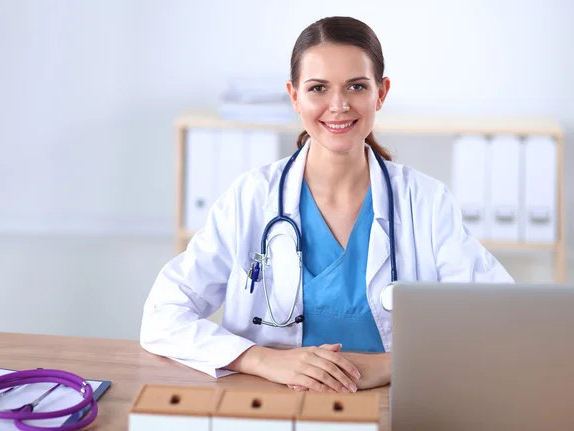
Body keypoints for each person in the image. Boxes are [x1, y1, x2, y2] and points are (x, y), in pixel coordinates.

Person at [139, 16, 513, 393]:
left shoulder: (426, 203)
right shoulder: (251, 198)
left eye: (356, 86)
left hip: (392, 405)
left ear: (380, 93)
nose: (338, 105)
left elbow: (501, 319)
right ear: (294, 95)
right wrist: (264, 360)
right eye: (318, 88)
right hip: (270, 403)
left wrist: (390, 366)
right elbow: (162, 317)